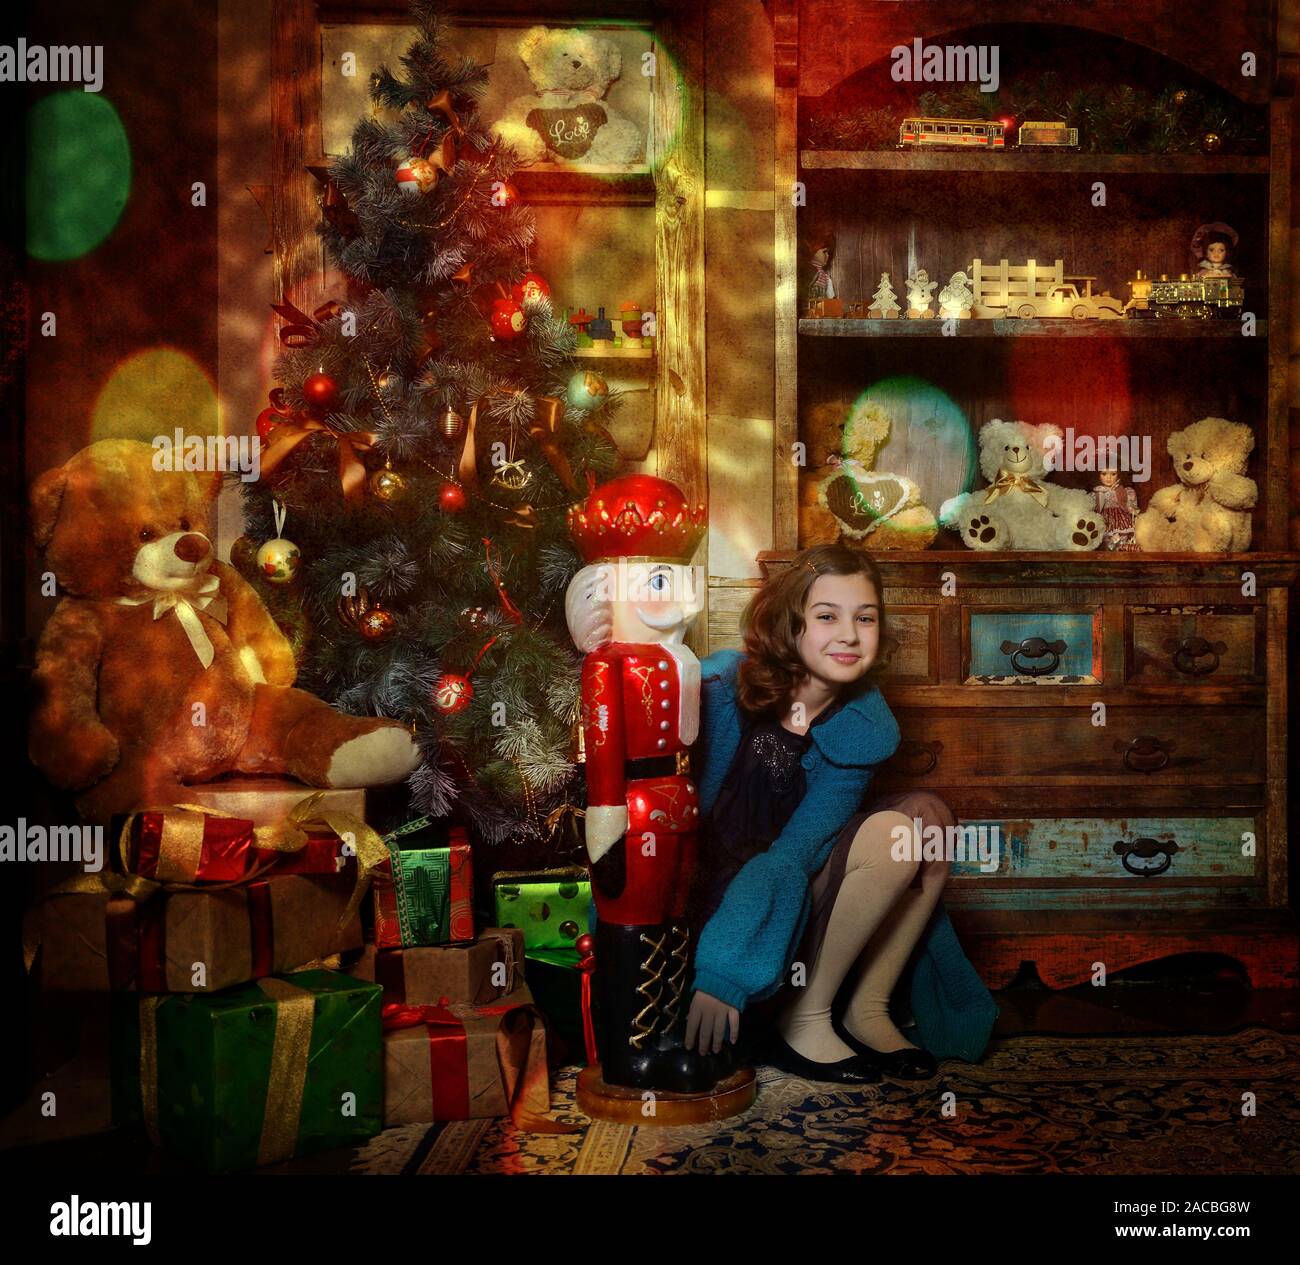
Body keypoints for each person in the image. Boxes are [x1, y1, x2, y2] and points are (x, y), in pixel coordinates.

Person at [683, 542, 997, 1083]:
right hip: (715, 915)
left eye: (865, 618)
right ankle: (797, 1018)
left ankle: (854, 1010)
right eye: (827, 616)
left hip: (786, 891)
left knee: (927, 819)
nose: (850, 635)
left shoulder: (861, 729)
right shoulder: (717, 687)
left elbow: (793, 856)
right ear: (791, 624)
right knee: (904, 825)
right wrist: (725, 968)